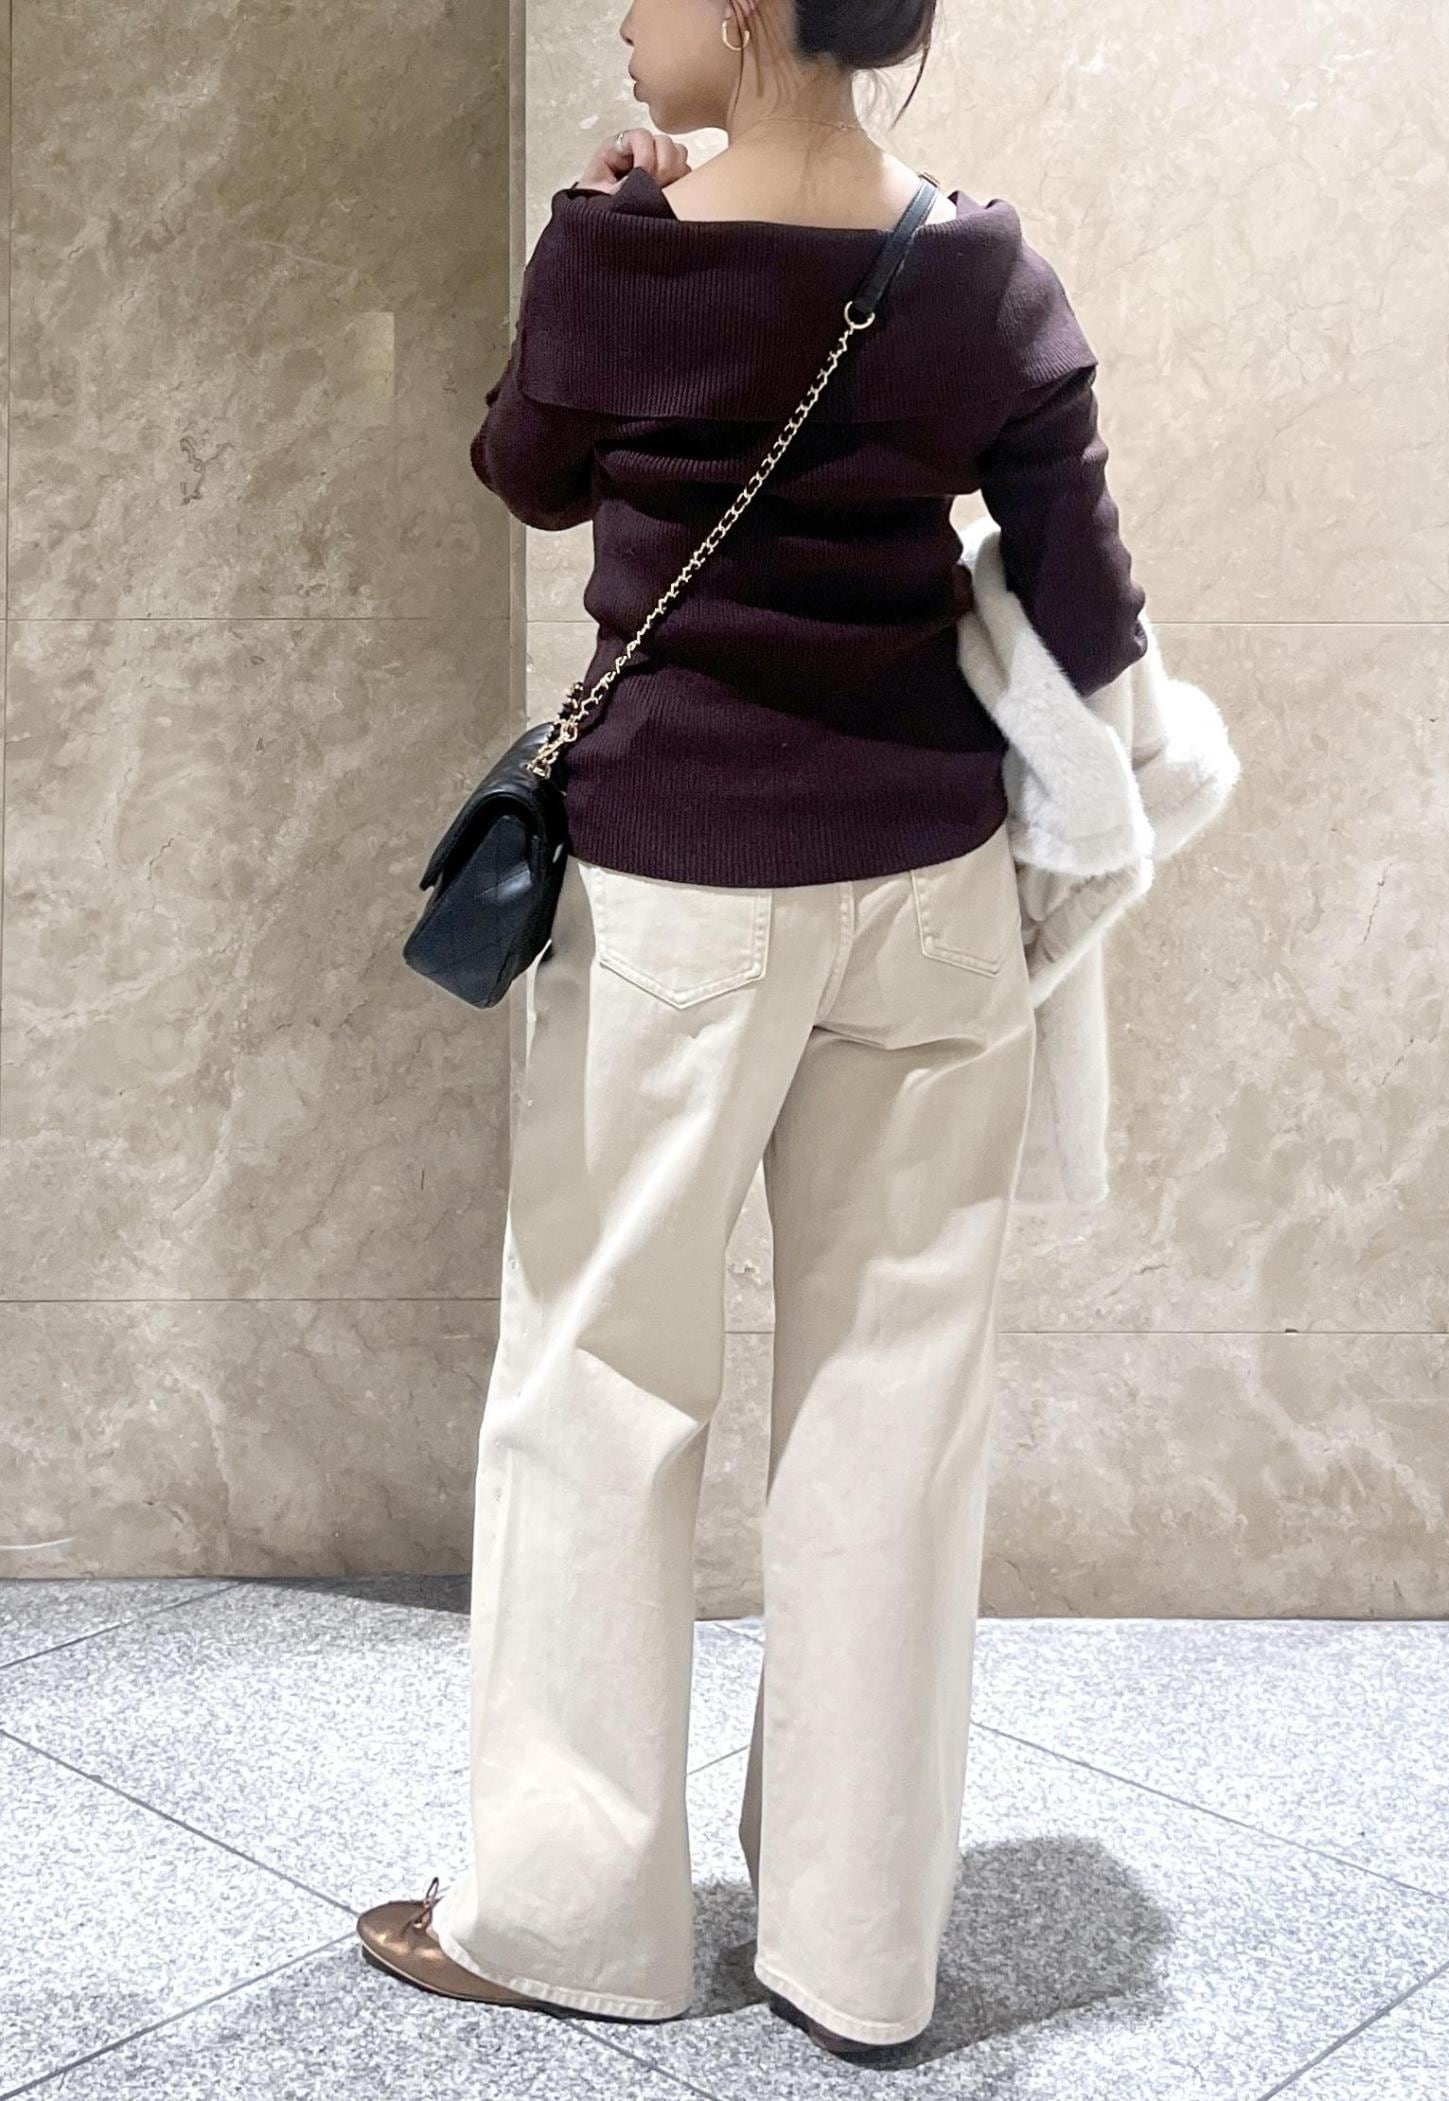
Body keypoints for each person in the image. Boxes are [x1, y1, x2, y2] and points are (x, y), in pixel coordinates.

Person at [357, 0, 1148, 2060]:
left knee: (599, 1384)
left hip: (678, 903)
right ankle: (861, 1959)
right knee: (896, 1409)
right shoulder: (986, 272)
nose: (629, 14)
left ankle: (565, 1919)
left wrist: (599, 226)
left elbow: (524, 471)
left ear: (740, 4)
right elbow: (1088, 621)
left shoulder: (616, 255)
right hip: (930, 900)